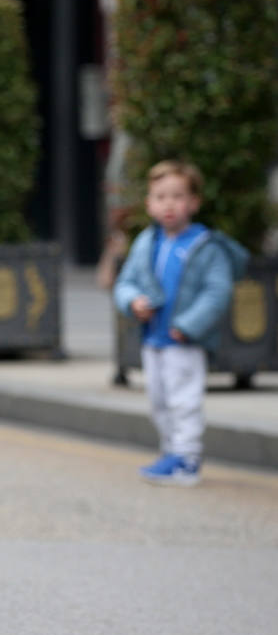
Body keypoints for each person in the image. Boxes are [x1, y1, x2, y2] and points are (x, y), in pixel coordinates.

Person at [112, 160, 247, 486]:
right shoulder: (147, 242)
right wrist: (133, 302)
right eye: (160, 196)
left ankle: (187, 457)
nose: (169, 204)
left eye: (177, 196)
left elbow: (217, 292)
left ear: (194, 202)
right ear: (149, 204)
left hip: (184, 341)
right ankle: (171, 452)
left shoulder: (205, 246)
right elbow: (126, 282)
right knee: (158, 400)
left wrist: (189, 325)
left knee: (184, 400)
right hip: (153, 338)